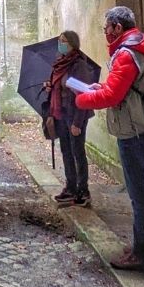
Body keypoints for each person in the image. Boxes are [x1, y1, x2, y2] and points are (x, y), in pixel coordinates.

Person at [75, 6, 144, 272]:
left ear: (117, 28)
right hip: (137, 127)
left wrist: (81, 98)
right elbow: (118, 88)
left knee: (139, 194)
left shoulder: (126, 53)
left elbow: (112, 97)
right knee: (141, 191)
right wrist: (101, 87)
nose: (105, 34)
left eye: (106, 29)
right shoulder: (135, 47)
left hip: (132, 131)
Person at [43, 30, 92, 208]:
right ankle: (70, 187)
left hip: (75, 114)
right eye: (59, 41)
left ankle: (83, 190)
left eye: (64, 41)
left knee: (77, 152)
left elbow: (84, 94)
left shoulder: (78, 65)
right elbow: (59, 86)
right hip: (60, 114)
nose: (60, 44)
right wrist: (50, 87)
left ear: (72, 44)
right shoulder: (59, 64)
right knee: (66, 151)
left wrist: (78, 123)